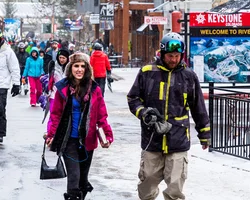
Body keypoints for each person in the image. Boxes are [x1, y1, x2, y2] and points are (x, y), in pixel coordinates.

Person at [127, 32, 210, 200]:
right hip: (152, 139)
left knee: (175, 188)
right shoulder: (147, 72)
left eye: (177, 56)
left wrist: (204, 134)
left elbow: (198, 107)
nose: (173, 60)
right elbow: (133, 98)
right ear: (162, 54)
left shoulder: (189, 76)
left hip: (178, 139)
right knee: (147, 184)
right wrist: (144, 113)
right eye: (170, 56)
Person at [46, 53, 113, 200]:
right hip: (68, 139)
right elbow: (55, 115)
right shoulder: (62, 88)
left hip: (88, 140)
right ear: (70, 68)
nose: (79, 69)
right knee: (74, 177)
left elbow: (102, 116)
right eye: (76, 66)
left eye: (83, 66)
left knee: (82, 179)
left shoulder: (95, 90)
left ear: (87, 69)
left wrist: (107, 136)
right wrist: (51, 134)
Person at [46, 48, 70, 121]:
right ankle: (50, 132)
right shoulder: (54, 67)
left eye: (63, 58)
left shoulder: (70, 68)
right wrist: (49, 91)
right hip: (54, 94)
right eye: (60, 57)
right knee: (53, 115)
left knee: (64, 117)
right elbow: (50, 80)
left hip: (66, 96)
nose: (61, 60)